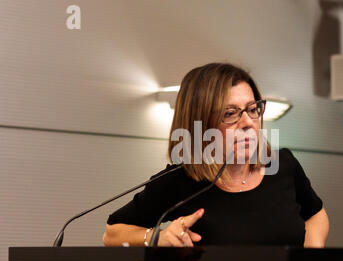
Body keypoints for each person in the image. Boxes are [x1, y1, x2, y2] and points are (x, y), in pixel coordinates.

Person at [103, 63, 329, 248]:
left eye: (252, 109)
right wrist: (156, 237)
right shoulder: (179, 180)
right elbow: (112, 233)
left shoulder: (282, 164)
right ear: (199, 124)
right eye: (230, 114)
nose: (248, 122)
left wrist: (309, 259)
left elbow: (316, 215)